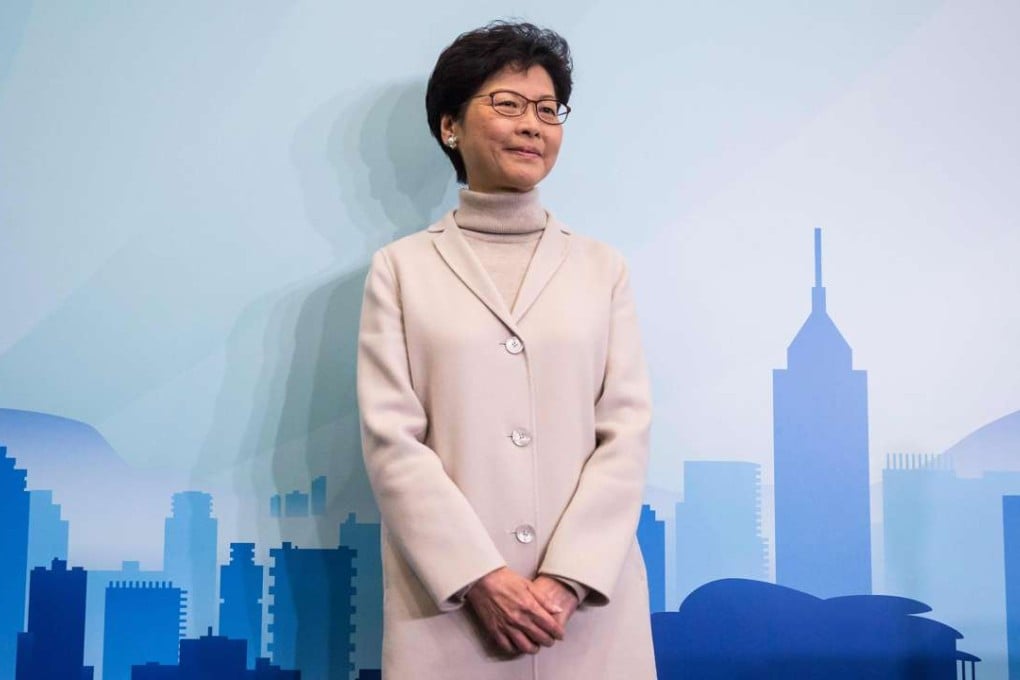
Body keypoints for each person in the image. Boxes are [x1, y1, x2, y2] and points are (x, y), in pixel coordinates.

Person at [357, 20, 656, 679]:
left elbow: (626, 433)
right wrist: (481, 577)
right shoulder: (401, 269)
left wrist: (565, 581)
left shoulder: (601, 267)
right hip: (452, 607)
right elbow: (391, 442)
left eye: (548, 110)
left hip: (584, 611)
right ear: (449, 127)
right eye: (508, 104)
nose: (533, 125)